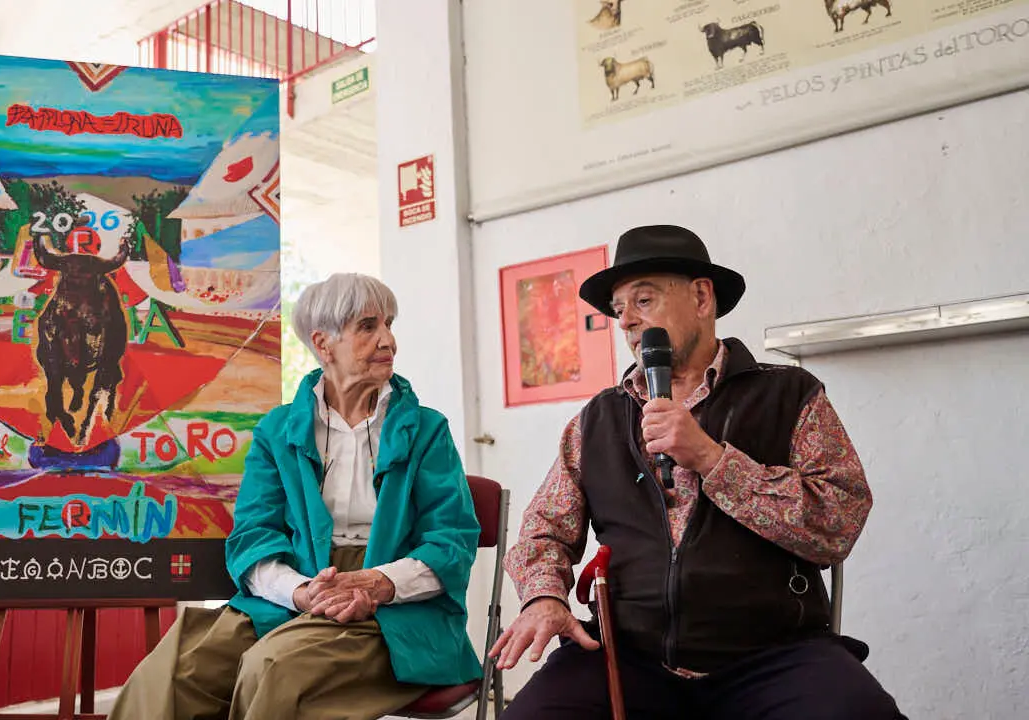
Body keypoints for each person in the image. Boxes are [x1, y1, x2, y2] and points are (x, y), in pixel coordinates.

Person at [490, 225, 906, 719]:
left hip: (773, 655)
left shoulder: (789, 395)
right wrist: (543, 596)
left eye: (643, 300)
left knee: (860, 715)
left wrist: (712, 458)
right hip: (630, 657)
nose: (627, 322)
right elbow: (542, 531)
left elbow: (838, 520)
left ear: (702, 297)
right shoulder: (596, 420)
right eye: (619, 311)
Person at [108, 273, 482, 720]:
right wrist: (301, 591)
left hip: (395, 611)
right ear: (324, 344)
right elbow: (253, 535)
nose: (388, 340)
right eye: (368, 326)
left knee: (274, 667)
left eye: (389, 323)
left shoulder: (427, 429)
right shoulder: (278, 431)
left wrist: (378, 583)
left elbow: (452, 539)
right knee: (173, 673)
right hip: (294, 593)